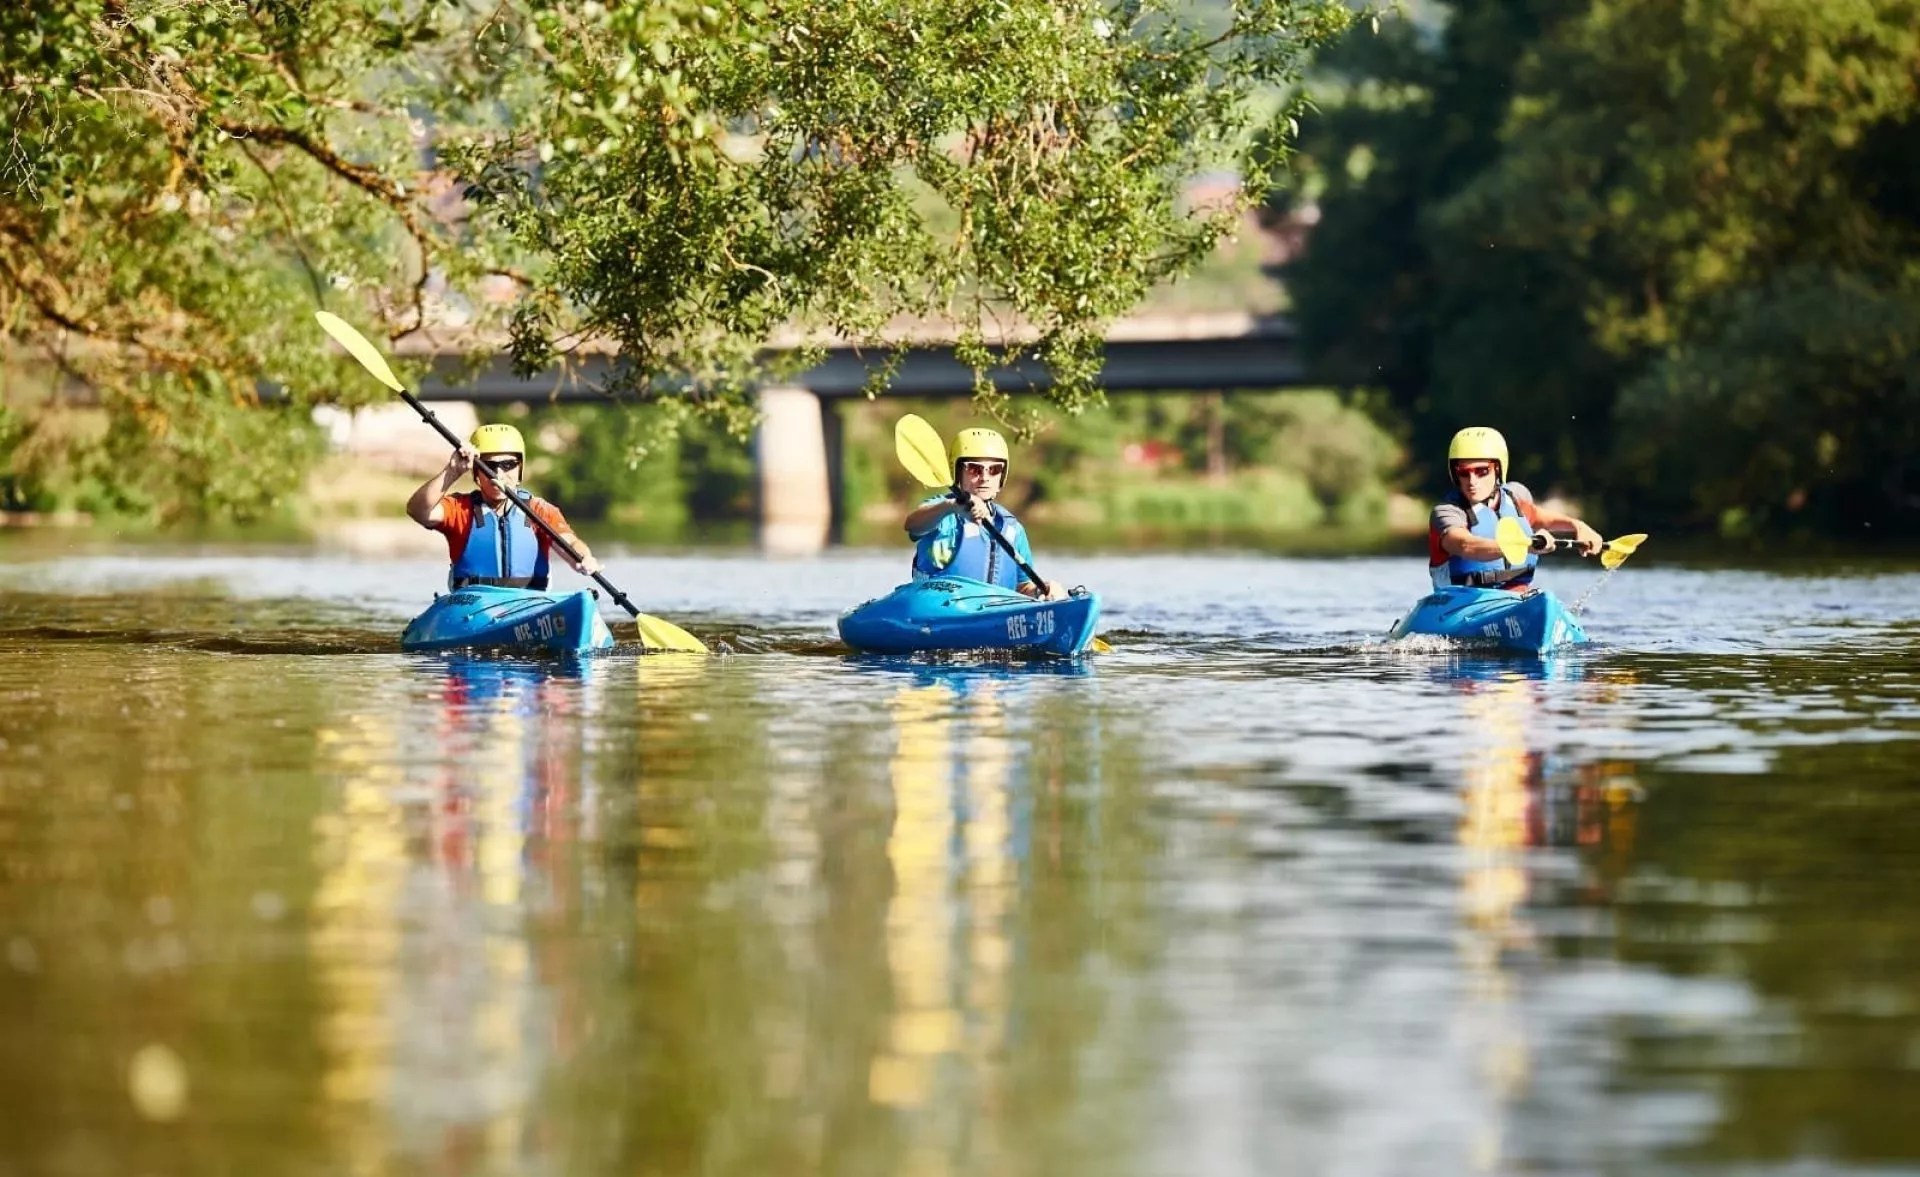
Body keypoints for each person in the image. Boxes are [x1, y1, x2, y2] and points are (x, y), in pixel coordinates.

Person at [406, 422, 602, 591]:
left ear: (520, 469)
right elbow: (418, 511)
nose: (498, 474)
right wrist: (452, 472)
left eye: (508, 465)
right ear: (476, 473)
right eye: (489, 466)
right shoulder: (460, 509)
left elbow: (568, 543)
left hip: (528, 603)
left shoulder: (540, 510)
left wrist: (584, 557)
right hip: (473, 607)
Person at [1428, 426, 1603, 591]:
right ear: (1455, 473)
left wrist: (1579, 527)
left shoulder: (1515, 498)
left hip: (1514, 597)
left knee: (1546, 601)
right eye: (1464, 472)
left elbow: (1542, 518)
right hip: (1458, 605)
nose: (1472, 481)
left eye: (1481, 471)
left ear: (1497, 469)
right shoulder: (1447, 513)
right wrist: (1525, 544)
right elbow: (1465, 545)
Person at [903, 426, 1067, 600]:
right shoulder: (943, 512)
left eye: (994, 469)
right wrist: (951, 506)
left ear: (1001, 476)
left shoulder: (1012, 529)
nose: (985, 477)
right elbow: (913, 525)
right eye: (974, 469)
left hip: (992, 611)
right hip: (937, 607)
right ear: (958, 473)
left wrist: (1042, 590)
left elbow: (1021, 586)